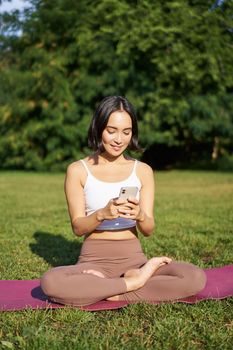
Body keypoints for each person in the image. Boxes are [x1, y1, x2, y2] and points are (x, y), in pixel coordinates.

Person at [40, 96, 206, 306]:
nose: (119, 139)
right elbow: (78, 227)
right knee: (51, 282)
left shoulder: (143, 171)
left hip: (134, 261)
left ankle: (111, 289)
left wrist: (140, 215)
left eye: (126, 132)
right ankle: (132, 285)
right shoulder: (77, 170)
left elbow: (148, 229)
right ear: (99, 128)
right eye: (112, 131)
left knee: (194, 277)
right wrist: (102, 214)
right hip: (93, 262)